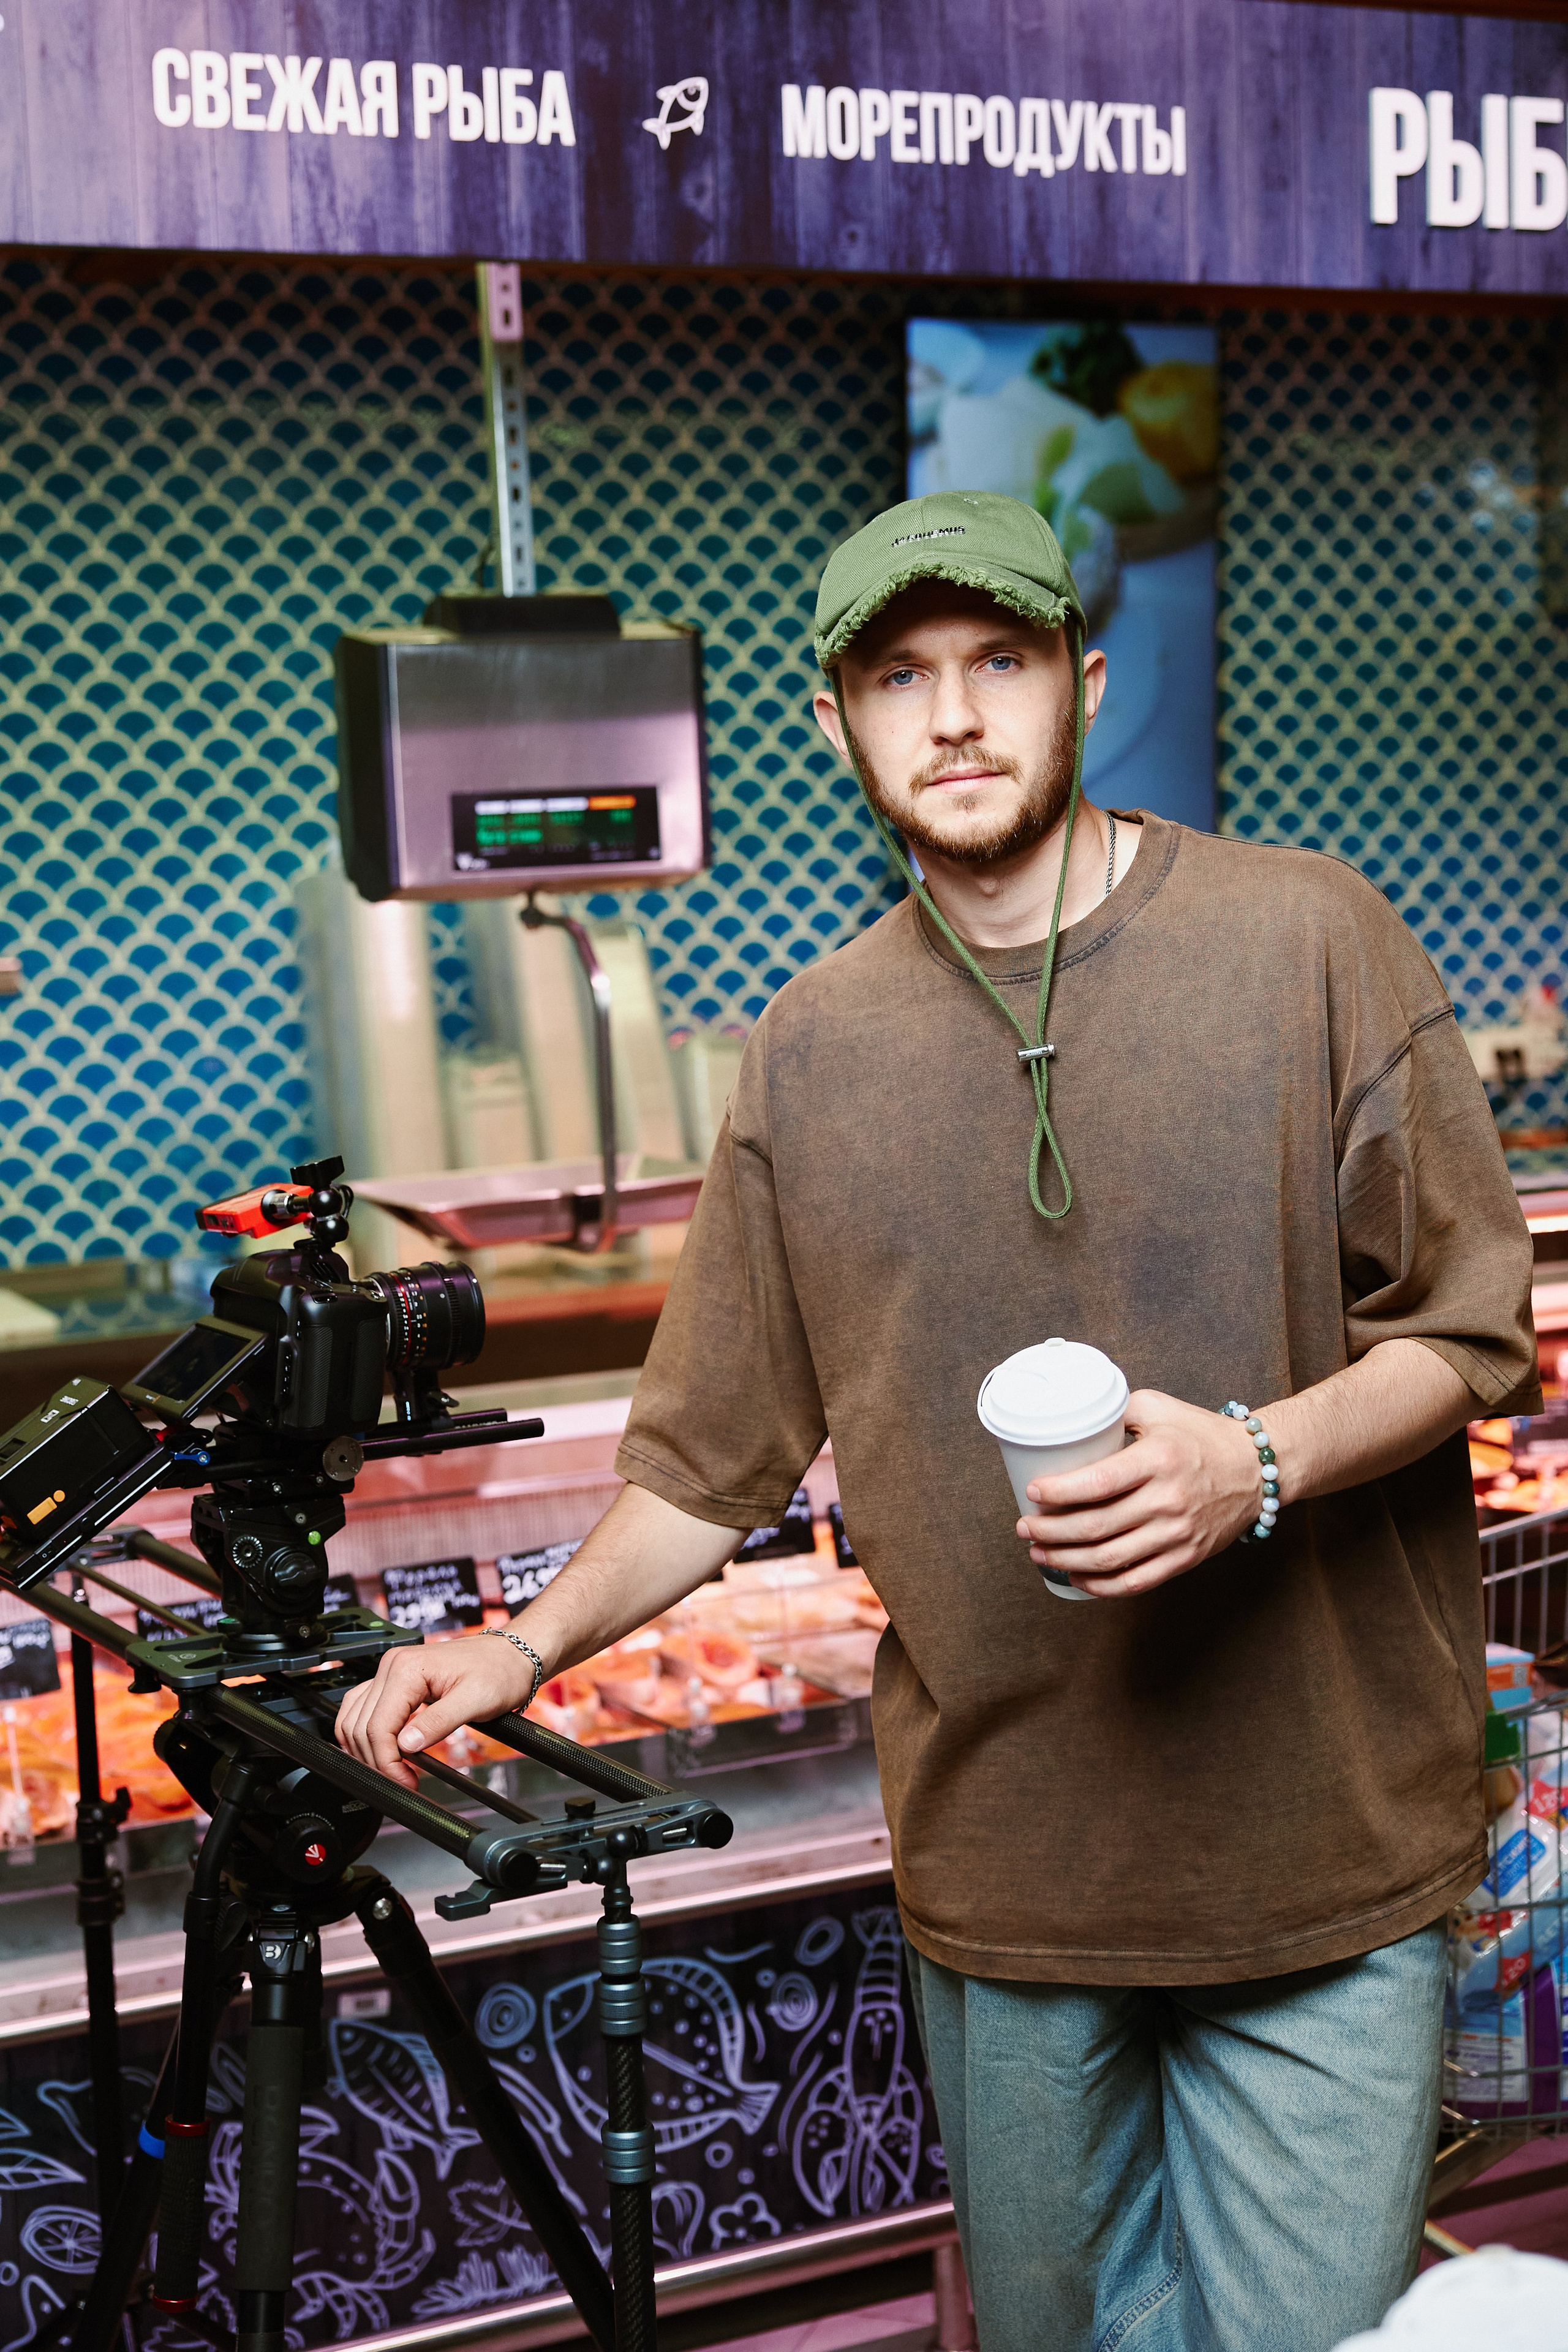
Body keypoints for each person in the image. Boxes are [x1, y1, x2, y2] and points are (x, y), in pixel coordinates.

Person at [337, 492, 1538, 2352]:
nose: (956, 715)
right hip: (1007, 1874)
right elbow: (703, 1456)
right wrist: (519, 1645)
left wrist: (1254, 1458)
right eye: (901, 676)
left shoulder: (1315, 943)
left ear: (1086, 680)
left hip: (1324, 1851)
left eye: (1000, 662)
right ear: (838, 726)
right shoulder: (806, 1056)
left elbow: (1469, 1334)